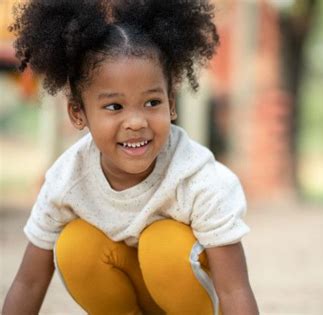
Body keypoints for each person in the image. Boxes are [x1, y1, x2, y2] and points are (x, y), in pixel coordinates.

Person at [2, 1, 259, 314]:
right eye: (114, 107)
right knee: (74, 246)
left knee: (162, 244)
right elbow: (29, 282)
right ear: (78, 113)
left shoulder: (197, 179)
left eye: (152, 102)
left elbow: (234, 289)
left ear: (171, 103)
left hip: (194, 303)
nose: (137, 122)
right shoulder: (67, 179)